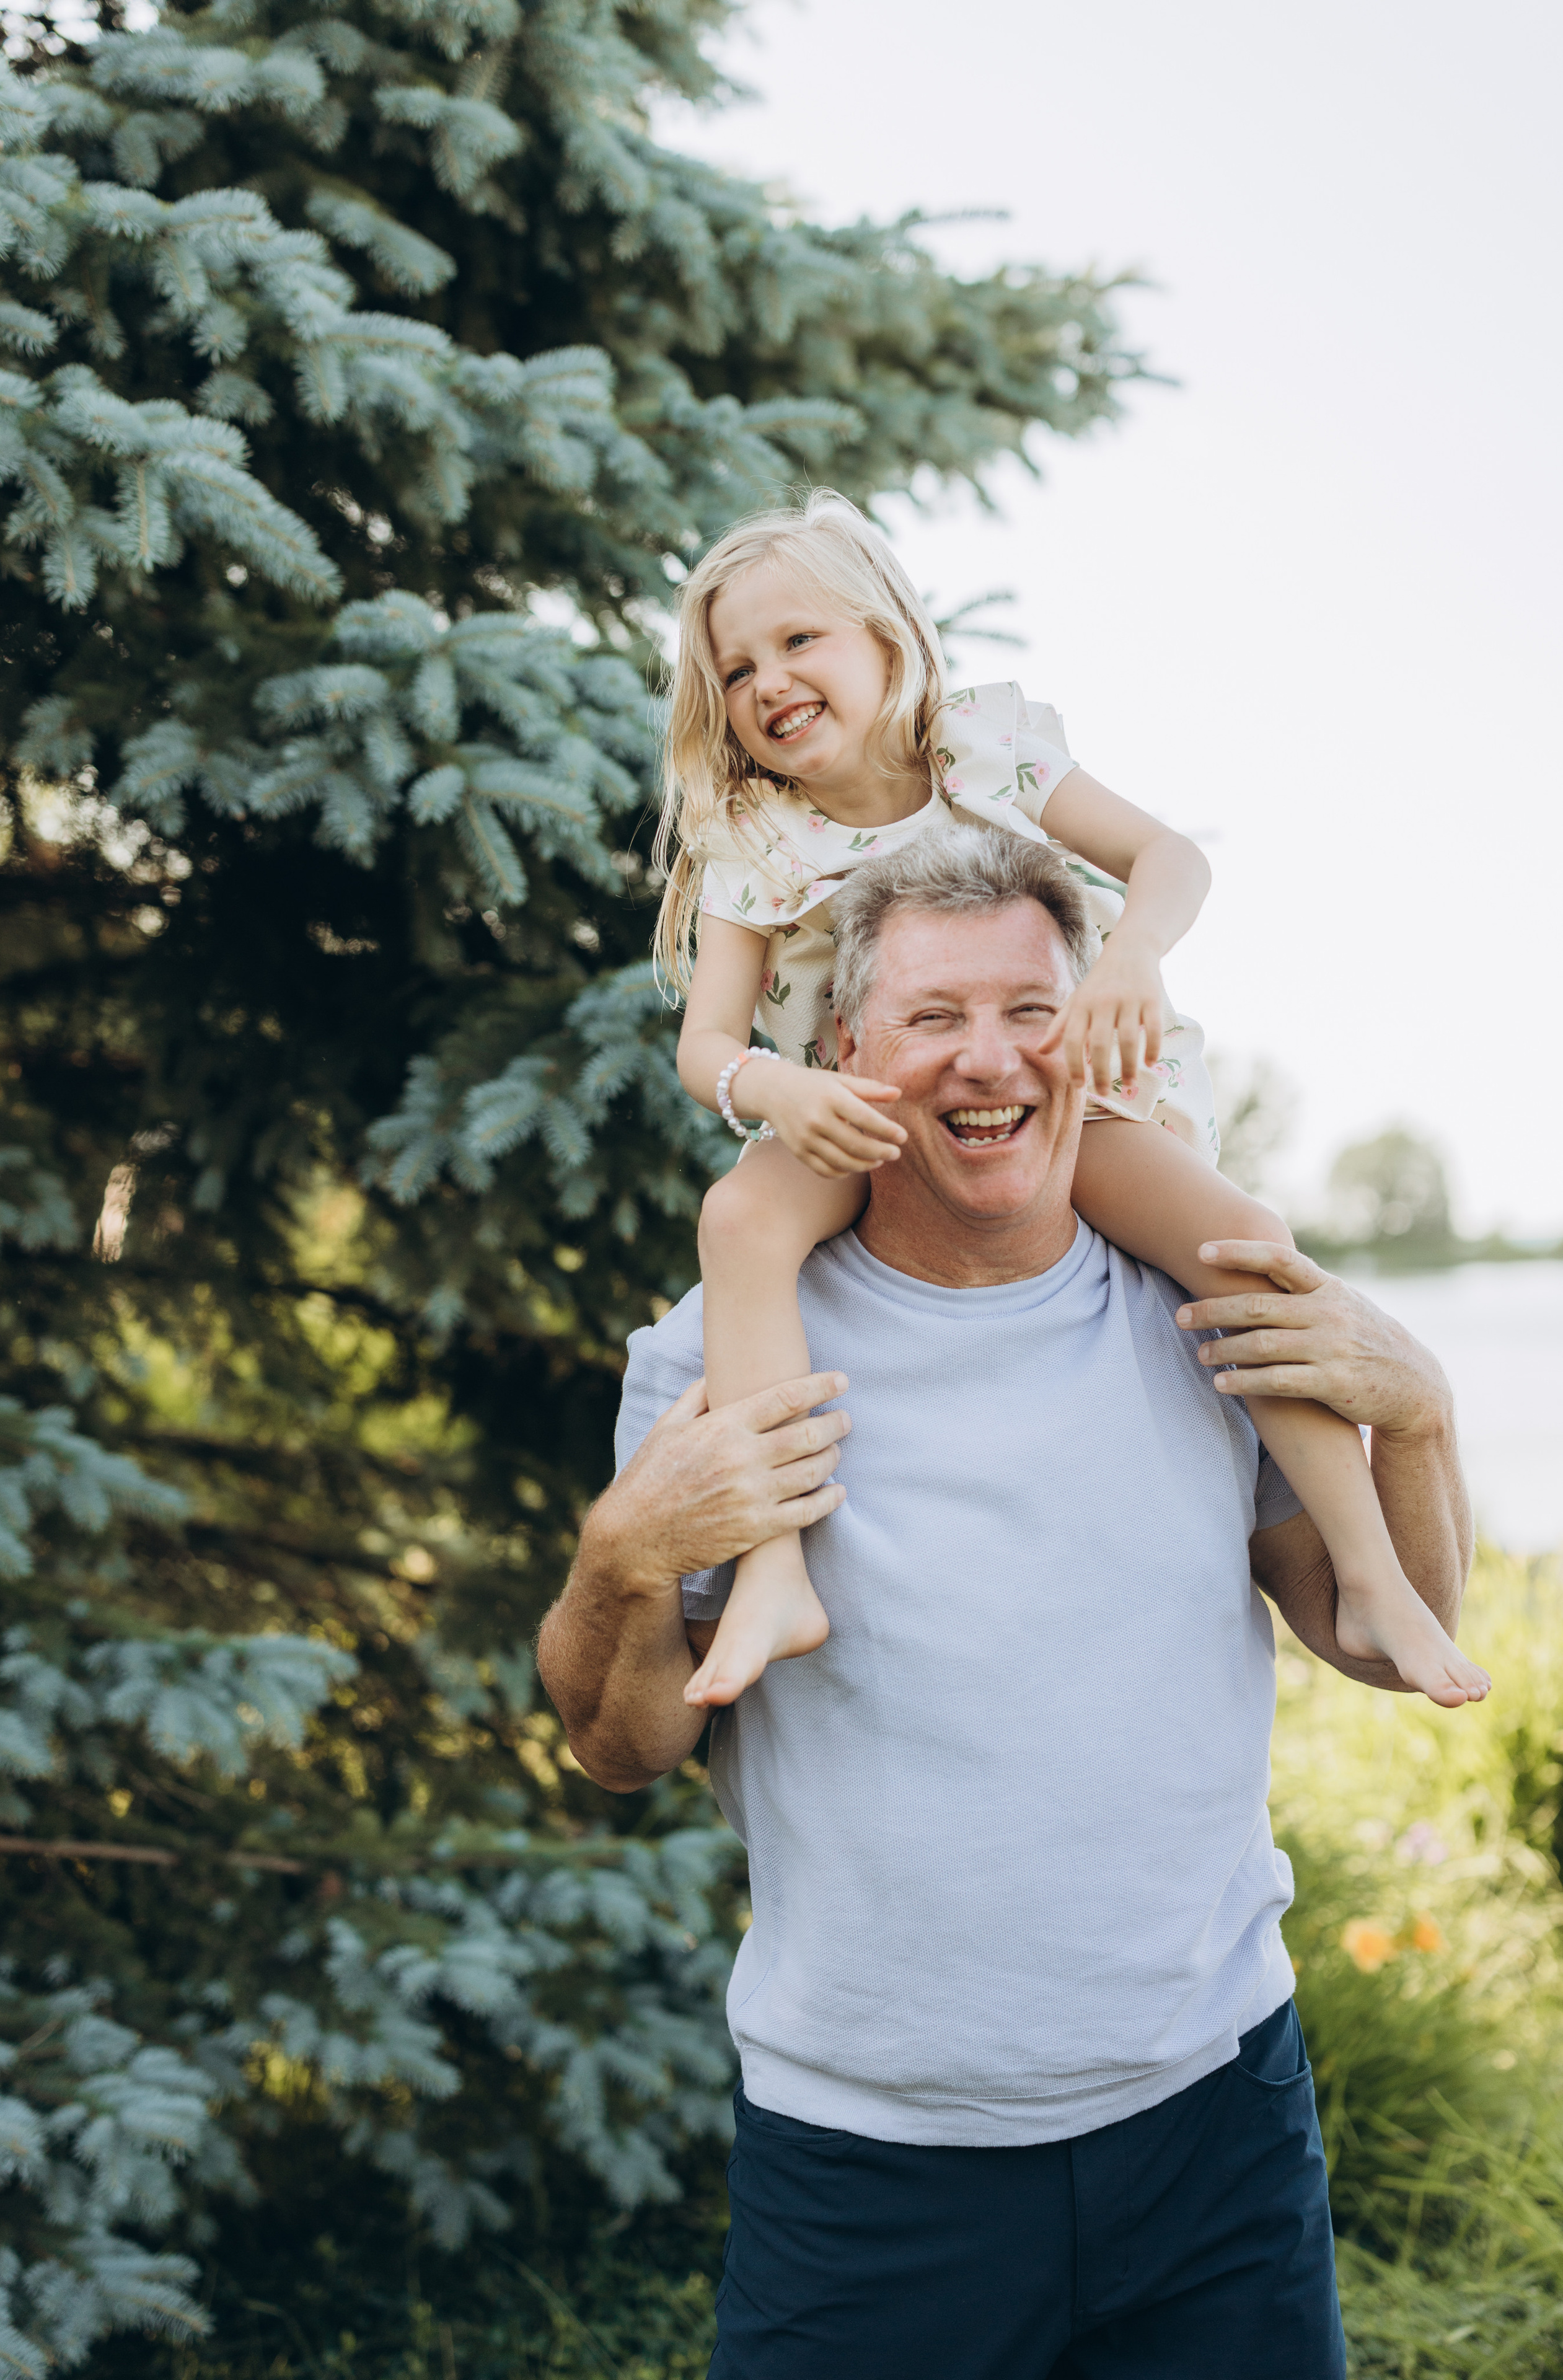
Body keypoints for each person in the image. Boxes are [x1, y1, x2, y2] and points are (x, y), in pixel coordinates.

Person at [538, 829, 1481, 2378]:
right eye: (930, 1019)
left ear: (1092, 1034)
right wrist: (623, 1556)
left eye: (1030, 1010)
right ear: (843, 1055)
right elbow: (617, 1743)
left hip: (1215, 2123)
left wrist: (1421, 1417)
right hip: (867, 2169)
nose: (991, 1061)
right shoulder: (723, 1357)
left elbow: (1368, 1635)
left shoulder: (1204, 1313)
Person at [651, 488, 1489, 1714]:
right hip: (867, 1116)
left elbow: (1171, 858)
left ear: (886, 639)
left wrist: (1130, 956)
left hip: (1068, 1095)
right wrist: (774, 1084)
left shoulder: (983, 749)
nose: (765, 680)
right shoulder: (752, 835)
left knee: (1240, 1245)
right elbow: (705, 1042)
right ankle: (775, 1572)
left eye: (796, 641)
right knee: (737, 1225)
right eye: (732, 668)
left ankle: (1367, 1574)